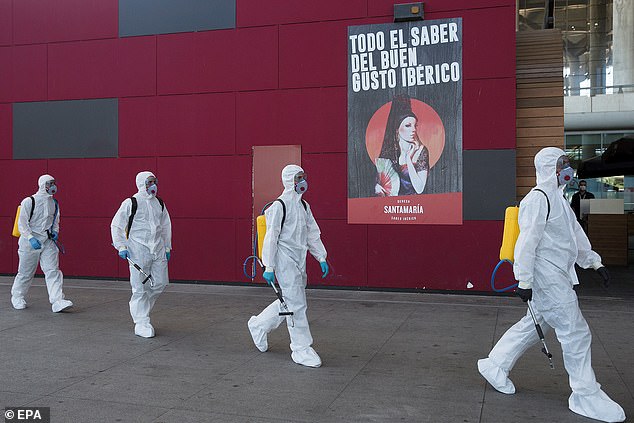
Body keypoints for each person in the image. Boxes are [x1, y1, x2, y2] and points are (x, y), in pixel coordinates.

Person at [477, 147, 625, 423]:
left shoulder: (558, 199)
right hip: (548, 278)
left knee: (535, 325)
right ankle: (584, 395)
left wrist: (595, 262)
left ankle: (495, 365)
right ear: (549, 168)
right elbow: (527, 243)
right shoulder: (538, 199)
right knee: (575, 332)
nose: (568, 168)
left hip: (557, 275)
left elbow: (574, 236)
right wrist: (525, 280)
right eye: (563, 163)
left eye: (567, 162)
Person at [247, 164, 329, 367]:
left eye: (304, 176)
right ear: (289, 180)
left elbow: (312, 233)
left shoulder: (303, 206)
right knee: (297, 305)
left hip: (298, 261)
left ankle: (259, 325)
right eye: (298, 177)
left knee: (290, 301)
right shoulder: (279, 206)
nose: (303, 181)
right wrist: (269, 266)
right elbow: (271, 238)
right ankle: (301, 348)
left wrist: (321, 257)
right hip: (284, 261)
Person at [111, 171, 172, 338]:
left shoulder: (159, 203)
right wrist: (121, 246)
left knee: (160, 283)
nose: (153, 185)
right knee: (139, 288)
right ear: (141, 183)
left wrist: (167, 247)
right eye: (149, 182)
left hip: (157, 248)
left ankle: (142, 311)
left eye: (154, 181)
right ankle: (141, 322)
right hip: (137, 250)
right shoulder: (131, 202)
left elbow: (166, 225)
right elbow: (117, 225)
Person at [11, 175, 73, 312]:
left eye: (53, 183)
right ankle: (17, 296)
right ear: (42, 184)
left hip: (48, 241)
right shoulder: (29, 201)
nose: (53, 186)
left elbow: (55, 221)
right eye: (50, 183)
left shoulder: (54, 203)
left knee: (53, 270)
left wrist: (55, 232)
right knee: (25, 272)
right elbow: (22, 223)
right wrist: (30, 237)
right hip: (30, 242)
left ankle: (57, 300)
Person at [374, 95, 429, 196]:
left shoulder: (421, 151)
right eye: (408, 126)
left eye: (415, 125)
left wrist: (409, 159)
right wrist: (377, 187)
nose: (413, 130)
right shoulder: (389, 151)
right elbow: (381, 181)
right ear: (397, 129)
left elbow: (420, 189)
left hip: (415, 205)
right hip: (392, 206)